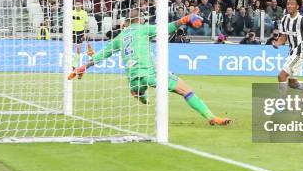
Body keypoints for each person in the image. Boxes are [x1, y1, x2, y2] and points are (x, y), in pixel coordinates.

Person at [68, 9, 231, 126]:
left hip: (132, 77)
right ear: (139, 20)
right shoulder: (143, 28)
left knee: (140, 88)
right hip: (150, 72)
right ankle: (211, 117)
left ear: (126, 23)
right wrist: (185, 19)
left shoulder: (120, 37)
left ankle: (138, 92)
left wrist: (82, 67)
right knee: (186, 90)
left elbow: (102, 54)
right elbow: (167, 28)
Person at [71, 1, 92, 77]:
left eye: (79, 4)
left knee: (78, 49)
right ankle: (71, 65)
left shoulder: (84, 13)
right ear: (75, 5)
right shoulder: (71, 12)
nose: (78, 5)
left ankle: (73, 65)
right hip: (71, 32)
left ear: (81, 5)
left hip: (80, 32)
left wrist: (85, 33)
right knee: (69, 48)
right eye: (76, 4)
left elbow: (86, 24)